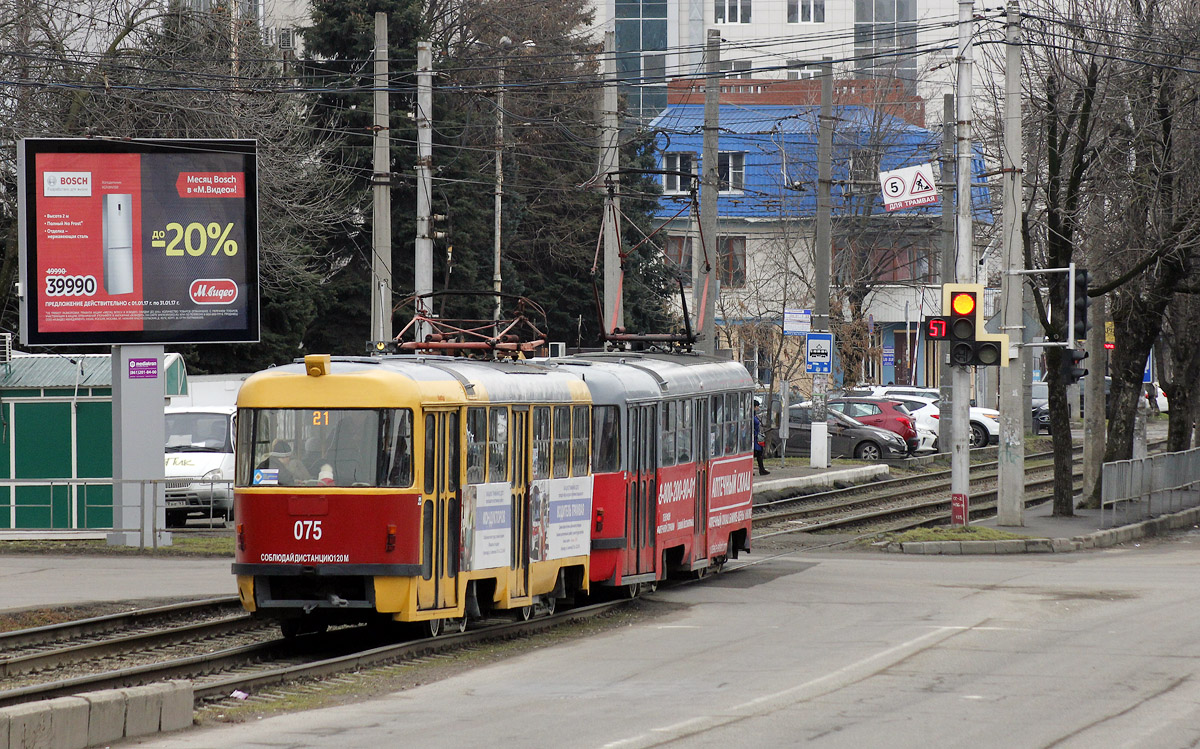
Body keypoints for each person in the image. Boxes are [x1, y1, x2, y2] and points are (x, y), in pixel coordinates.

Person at [753, 406, 770, 476]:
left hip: (757, 437)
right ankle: (760, 470)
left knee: (759, 453)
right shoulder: (751, 415)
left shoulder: (754, 414)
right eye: (757, 406)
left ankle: (761, 469)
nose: (758, 408)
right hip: (754, 437)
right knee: (757, 453)